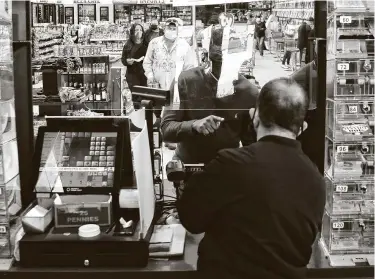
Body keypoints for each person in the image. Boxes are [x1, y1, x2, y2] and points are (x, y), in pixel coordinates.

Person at [177, 77, 326, 279]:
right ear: (301, 127)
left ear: (255, 117)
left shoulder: (231, 164)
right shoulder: (316, 180)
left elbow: (190, 218)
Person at [160, 27, 259, 164]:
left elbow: (250, 143)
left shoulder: (250, 92)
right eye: (218, 64)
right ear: (207, 57)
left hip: (228, 166)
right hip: (189, 164)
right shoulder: (183, 81)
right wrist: (194, 125)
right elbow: (166, 130)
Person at [143, 17, 196, 91]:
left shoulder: (184, 45)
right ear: (164, 28)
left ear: (178, 30)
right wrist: (150, 76)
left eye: (174, 29)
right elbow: (147, 62)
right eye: (169, 28)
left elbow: (189, 67)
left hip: (178, 89)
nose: (171, 30)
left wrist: (185, 82)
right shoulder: (154, 43)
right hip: (157, 87)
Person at [121, 24, 147, 92]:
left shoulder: (146, 43)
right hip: (132, 74)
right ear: (132, 32)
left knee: (144, 96)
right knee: (135, 96)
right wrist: (127, 61)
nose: (139, 32)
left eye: (140, 30)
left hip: (144, 74)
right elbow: (123, 59)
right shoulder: (128, 44)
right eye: (136, 30)